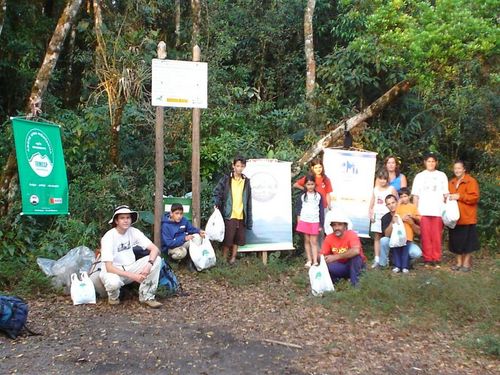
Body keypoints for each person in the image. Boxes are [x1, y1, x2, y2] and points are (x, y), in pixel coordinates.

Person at [99, 205, 162, 308]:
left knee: (157, 260)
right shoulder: (109, 237)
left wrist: (149, 265)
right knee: (113, 283)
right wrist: (134, 276)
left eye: (128, 218)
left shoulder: (133, 232)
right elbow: (109, 268)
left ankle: (147, 296)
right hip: (114, 271)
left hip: (131, 267)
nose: (126, 221)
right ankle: (113, 297)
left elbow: (155, 249)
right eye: (122, 218)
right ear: (116, 221)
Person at [213, 156, 253, 264]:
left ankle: (233, 258)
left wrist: (249, 217)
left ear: (244, 167)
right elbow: (217, 192)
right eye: (237, 166)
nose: (239, 168)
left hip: (241, 213)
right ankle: (223, 259)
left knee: (238, 239)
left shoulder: (246, 181)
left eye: (242, 166)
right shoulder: (226, 179)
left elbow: (248, 200)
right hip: (229, 213)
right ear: (233, 166)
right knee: (228, 238)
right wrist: (216, 203)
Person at [411, 153, 449, 267]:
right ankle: (427, 259)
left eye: (433, 161)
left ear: (436, 163)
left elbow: (446, 194)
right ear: (425, 162)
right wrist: (415, 212)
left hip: (438, 211)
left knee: (436, 236)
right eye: (429, 161)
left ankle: (436, 258)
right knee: (426, 236)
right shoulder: (419, 176)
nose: (431, 163)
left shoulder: (442, 175)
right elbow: (415, 196)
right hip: (423, 211)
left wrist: (446, 211)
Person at [448, 160, 480, 272]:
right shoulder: (451, 182)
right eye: (455, 168)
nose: (457, 170)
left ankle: (466, 264)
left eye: (459, 168)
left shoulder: (471, 181)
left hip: (467, 217)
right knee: (456, 242)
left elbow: (474, 198)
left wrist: (459, 196)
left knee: (468, 242)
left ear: (464, 169)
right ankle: (458, 262)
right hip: (454, 218)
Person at [321, 211, 366, 286]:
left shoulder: (351, 234)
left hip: (356, 266)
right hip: (341, 266)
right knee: (325, 264)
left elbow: (356, 250)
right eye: (334, 225)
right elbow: (322, 255)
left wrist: (336, 257)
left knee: (356, 257)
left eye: (339, 225)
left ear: (345, 226)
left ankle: (355, 285)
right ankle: (336, 283)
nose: (336, 228)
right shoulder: (329, 238)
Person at [379, 189, 422, 268]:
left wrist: (411, 223)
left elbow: (419, 232)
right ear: (386, 206)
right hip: (393, 241)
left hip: (406, 240)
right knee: (383, 240)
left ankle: (405, 263)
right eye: (388, 204)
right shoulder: (385, 217)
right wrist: (393, 222)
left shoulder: (408, 210)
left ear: (397, 202)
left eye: (393, 202)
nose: (391, 205)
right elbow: (386, 234)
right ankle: (383, 264)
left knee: (417, 253)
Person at [369, 168, 397, 268]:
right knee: (377, 237)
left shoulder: (391, 189)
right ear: (378, 179)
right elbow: (371, 203)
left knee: (387, 237)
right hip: (377, 216)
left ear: (387, 179)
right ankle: (377, 259)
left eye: (384, 179)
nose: (382, 181)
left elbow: (396, 201)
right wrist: (370, 214)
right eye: (380, 178)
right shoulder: (375, 189)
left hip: (388, 216)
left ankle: (388, 258)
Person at [295, 174, 324, 268]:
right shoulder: (302, 196)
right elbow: (299, 209)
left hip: (315, 221)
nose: (310, 186)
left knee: (314, 241)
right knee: (306, 240)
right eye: (308, 184)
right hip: (304, 220)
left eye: (312, 184)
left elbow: (321, 211)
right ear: (305, 185)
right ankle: (309, 260)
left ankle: (315, 261)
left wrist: (321, 224)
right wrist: (299, 220)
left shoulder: (318, 196)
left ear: (315, 184)